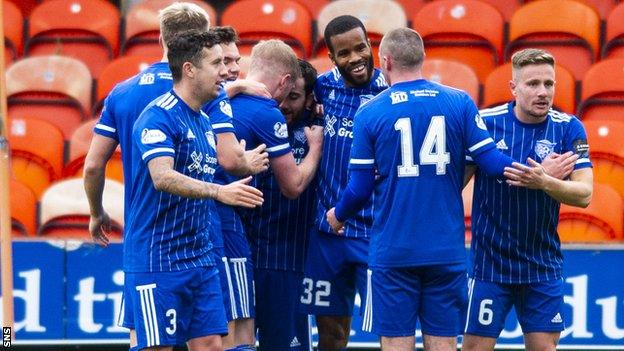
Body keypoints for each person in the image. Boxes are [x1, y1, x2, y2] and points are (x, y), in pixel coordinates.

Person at [326, 28, 519, 351]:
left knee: (396, 344)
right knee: (443, 345)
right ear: (422, 57)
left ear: (384, 61)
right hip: (445, 250)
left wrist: (338, 214)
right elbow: (492, 162)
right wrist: (539, 173)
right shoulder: (459, 102)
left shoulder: (370, 112)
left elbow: (359, 189)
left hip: (394, 252)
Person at [122, 29, 264, 351]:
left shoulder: (202, 119)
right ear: (189, 69)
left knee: (212, 345)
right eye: (216, 64)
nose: (225, 72)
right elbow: (163, 177)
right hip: (159, 258)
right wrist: (218, 192)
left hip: (199, 258)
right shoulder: (157, 117)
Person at [84, 3, 268, 248]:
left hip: (144, 235)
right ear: (204, 41)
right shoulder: (208, 90)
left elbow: (93, 166)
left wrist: (96, 213)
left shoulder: (122, 93)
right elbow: (230, 160)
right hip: (197, 237)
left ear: (161, 40)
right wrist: (248, 162)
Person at [462, 49, 593, 351]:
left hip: (542, 265)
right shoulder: (485, 124)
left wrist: (544, 181)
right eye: (533, 84)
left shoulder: (568, 128)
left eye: (549, 84)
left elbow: (585, 195)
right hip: (490, 266)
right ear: (513, 88)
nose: (543, 92)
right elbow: (455, 184)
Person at [213, 40, 323, 351]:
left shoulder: (217, 102)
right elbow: (294, 185)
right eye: (287, 93)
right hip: (239, 238)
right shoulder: (266, 112)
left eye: (296, 99)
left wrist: (232, 88)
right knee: (240, 336)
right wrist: (316, 149)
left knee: (226, 334)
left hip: (255, 247)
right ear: (285, 80)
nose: (286, 104)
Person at [300, 15, 387, 351]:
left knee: (389, 332)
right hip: (327, 234)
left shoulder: (389, 92)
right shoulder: (321, 88)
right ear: (332, 58)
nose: (355, 58)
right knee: (332, 335)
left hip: (376, 233)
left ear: (371, 46)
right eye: (345, 53)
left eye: (361, 48)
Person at [241, 59, 318, 351]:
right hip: (244, 257)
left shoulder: (315, 132)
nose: (283, 104)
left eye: (294, 97)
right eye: (281, 95)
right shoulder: (251, 119)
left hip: (288, 262)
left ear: (311, 99)